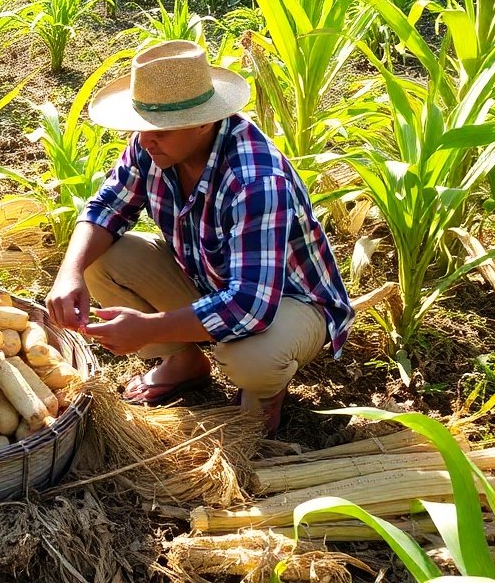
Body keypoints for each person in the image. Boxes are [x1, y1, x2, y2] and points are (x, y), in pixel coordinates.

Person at [45, 40, 353, 435]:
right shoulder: (153, 146)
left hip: (286, 301)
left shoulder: (256, 181)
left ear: (205, 121)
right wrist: (69, 273)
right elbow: (107, 208)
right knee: (100, 258)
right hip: (212, 280)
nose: (143, 139)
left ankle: (266, 391)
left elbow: (249, 307)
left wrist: (148, 327)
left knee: (252, 360)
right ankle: (184, 362)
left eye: (157, 130)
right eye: (139, 126)